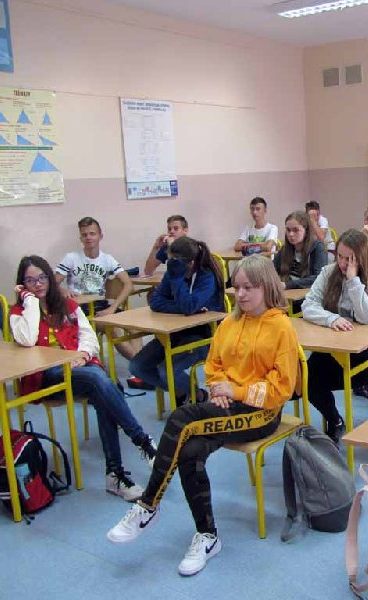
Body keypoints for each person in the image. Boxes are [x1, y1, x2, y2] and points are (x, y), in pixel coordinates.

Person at [107, 255, 298, 577]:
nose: (240, 294)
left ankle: (148, 505)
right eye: (237, 287)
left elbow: (281, 389)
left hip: (262, 413)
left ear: (266, 287)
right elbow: (213, 364)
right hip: (225, 405)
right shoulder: (229, 323)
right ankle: (208, 536)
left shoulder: (281, 327)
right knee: (190, 452)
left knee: (181, 418)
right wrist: (217, 389)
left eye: (248, 288)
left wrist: (235, 391)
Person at [10, 256, 157, 501]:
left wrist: (83, 354)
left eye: (42, 277)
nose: (38, 284)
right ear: (22, 284)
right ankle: (142, 442)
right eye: (30, 280)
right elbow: (27, 339)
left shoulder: (67, 305)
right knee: (99, 380)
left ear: (50, 277)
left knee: (103, 389)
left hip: (79, 370)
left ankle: (115, 474)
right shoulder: (19, 313)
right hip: (47, 377)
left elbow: (88, 335)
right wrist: (31, 302)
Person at [302, 229, 368, 443]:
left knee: (324, 377)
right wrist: (330, 318)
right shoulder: (329, 272)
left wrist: (353, 281)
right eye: (340, 256)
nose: (343, 263)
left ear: (362, 258)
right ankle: (335, 421)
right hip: (337, 344)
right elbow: (308, 305)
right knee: (307, 377)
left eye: (350, 259)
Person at [129, 237, 225, 405]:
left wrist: (187, 304)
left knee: (166, 370)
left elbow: (189, 306)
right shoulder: (174, 273)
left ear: (191, 263)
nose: (171, 265)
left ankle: (193, 395)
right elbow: (156, 302)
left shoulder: (206, 276)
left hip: (203, 337)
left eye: (175, 261)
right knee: (137, 367)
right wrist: (187, 308)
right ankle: (189, 393)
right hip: (175, 333)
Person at [55, 216, 140, 361]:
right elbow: (52, 283)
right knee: (112, 328)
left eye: (92, 234)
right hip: (81, 311)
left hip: (102, 307)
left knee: (135, 326)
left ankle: (139, 367)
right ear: (80, 238)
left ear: (100, 235)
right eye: (84, 235)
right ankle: (140, 366)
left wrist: (112, 308)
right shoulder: (71, 258)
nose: (88, 237)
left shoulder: (107, 259)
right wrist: (63, 290)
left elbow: (128, 284)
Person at [273, 211, 327, 290]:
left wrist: (287, 285)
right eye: (288, 230)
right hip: (288, 292)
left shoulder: (318, 248)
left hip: (306, 293)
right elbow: (272, 269)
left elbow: (319, 278)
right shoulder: (285, 249)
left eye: (296, 230)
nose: (291, 234)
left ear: (306, 231)